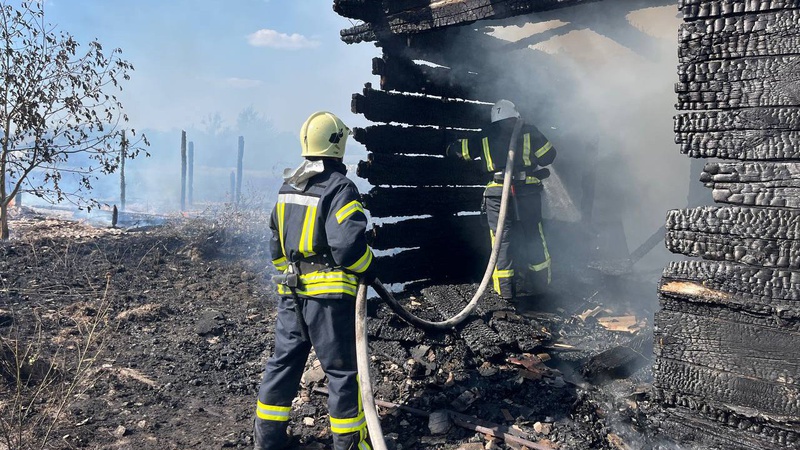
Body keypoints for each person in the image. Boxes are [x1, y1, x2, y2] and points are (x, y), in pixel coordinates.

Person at [254, 111, 374, 450]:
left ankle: (268, 441)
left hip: (291, 295)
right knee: (341, 373)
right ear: (338, 144)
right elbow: (348, 247)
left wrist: (292, 275)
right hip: (329, 300)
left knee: (283, 365)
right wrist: (369, 266)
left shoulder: (288, 185)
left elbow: (276, 244)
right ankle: (350, 445)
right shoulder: (340, 188)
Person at [446, 99, 556, 301]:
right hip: (527, 193)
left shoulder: (484, 134)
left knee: (501, 241)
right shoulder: (529, 130)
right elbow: (549, 156)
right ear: (515, 114)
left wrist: (450, 146)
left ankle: (505, 292)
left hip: (497, 195)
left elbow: (463, 151)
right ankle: (541, 286)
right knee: (533, 236)